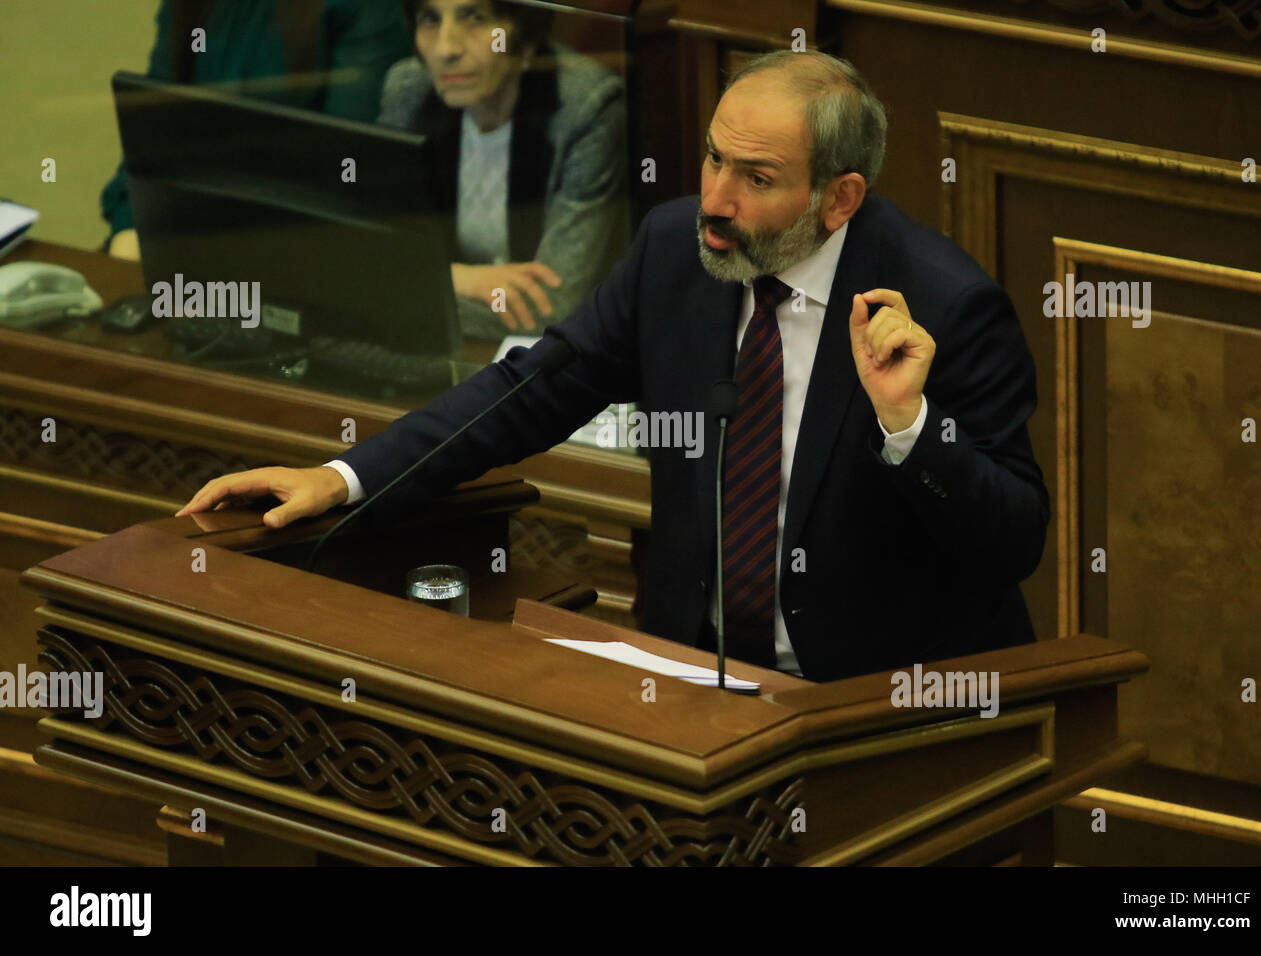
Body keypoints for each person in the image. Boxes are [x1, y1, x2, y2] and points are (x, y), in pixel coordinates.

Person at [177, 50, 1051, 684]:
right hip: (684, 669)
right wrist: (345, 476)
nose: (715, 199)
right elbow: (531, 390)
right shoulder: (677, 250)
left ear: (840, 198)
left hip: (870, 699)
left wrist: (909, 427)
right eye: (714, 157)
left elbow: (1013, 541)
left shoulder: (945, 307)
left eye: (755, 177)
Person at [384, 0, 628, 339]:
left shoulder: (587, 108)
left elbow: (553, 306)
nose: (446, 48)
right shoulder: (408, 89)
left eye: (474, 18)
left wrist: (412, 287)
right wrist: (461, 278)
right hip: (440, 345)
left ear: (525, 37)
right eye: (429, 19)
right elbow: (374, 261)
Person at [101, 0, 410, 260]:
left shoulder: (364, 8)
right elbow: (152, 132)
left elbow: (343, 169)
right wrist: (131, 228)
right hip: (182, 234)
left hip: (291, 252)